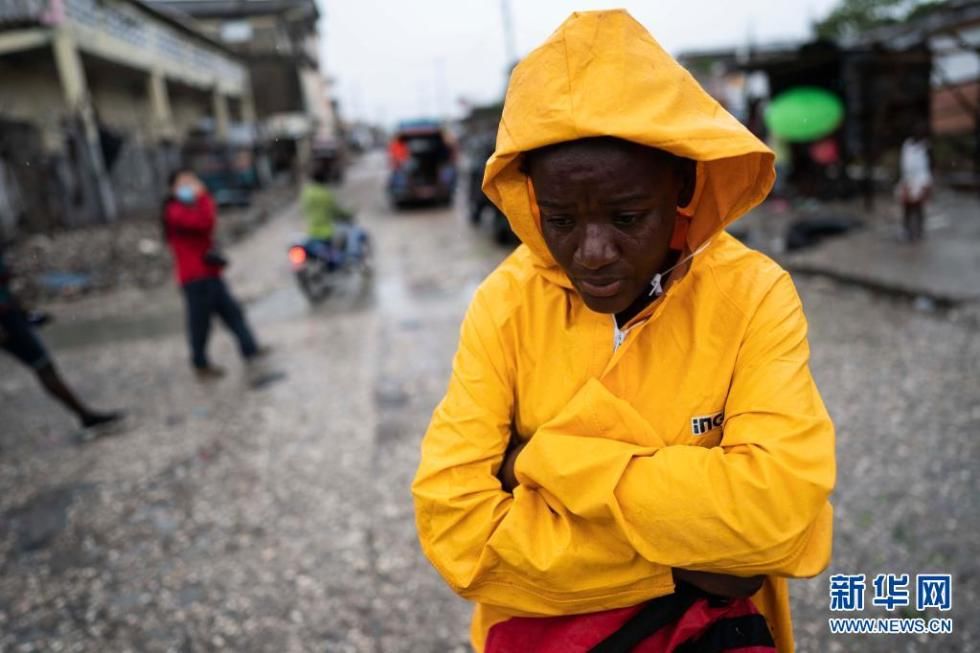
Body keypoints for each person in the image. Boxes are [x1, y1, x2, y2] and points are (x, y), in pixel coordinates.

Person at [412, 10, 834, 653]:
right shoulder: (505, 304)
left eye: (627, 215)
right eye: (559, 220)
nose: (592, 252)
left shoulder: (754, 295)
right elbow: (457, 532)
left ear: (685, 184)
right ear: (529, 201)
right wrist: (697, 564)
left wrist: (545, 464)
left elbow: (778, 514)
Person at [0, 248, 123, 430]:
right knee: (43, 366)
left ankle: (85, 415)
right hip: (5, 319)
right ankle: (85, 416)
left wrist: (23, 312)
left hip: (10, 314)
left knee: (43, 366)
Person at [163, 169, 265, 380]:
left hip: (210, 272)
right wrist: (204, 197)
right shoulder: (175, 211)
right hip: (195, 277)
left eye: (192, 181)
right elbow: (205, 223)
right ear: (173, 189)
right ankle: (200, 364)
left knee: (233, 313)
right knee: (200, 323)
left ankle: (250, 348)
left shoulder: (189, 207)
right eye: (184, 183)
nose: (190, 187)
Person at [300, 162, 361, 264]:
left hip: (311, 230)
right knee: (347, 238)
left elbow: (305, 209)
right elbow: (336, 211)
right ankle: (347, 261)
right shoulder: (326, 194)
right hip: (326, 231)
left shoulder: (307, 192)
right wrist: (349, 213)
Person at [898, 124, 932, 241]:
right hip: (908, 181)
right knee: (907, 207)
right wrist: (906, 185)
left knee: (918, 207)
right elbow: (904, 166)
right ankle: (907, 230)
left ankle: (919, 231)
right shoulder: (907, 147)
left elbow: (926, 168)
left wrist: (925, 185)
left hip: (921, 181)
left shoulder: (925, 148)